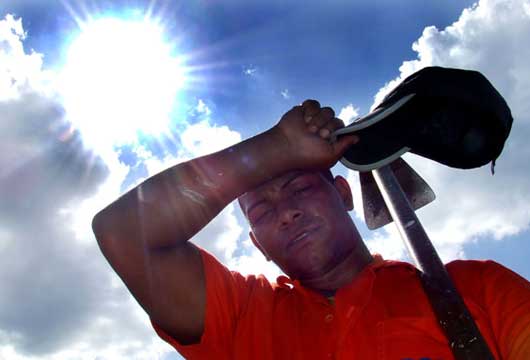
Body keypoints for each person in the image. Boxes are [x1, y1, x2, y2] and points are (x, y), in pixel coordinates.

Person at [92, 100, 530, 359]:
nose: (284, 213)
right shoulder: (242, 318)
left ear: (343, 193)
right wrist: (278, 148)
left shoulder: (476, 287)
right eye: (261, 212)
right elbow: (122, 232)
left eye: (298, 187)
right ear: (256, 244)